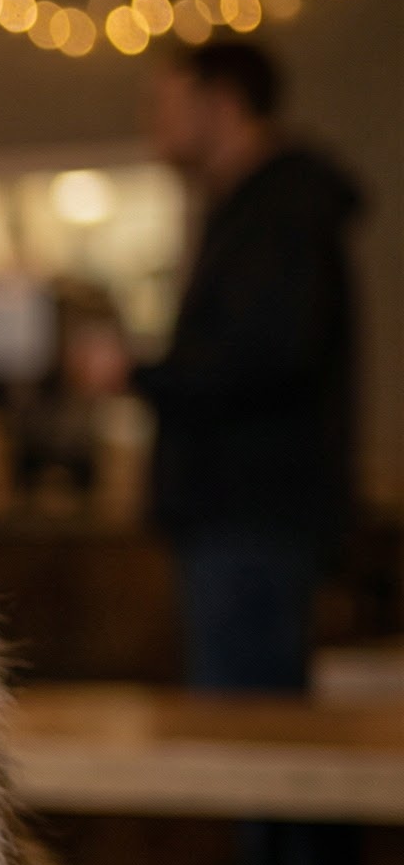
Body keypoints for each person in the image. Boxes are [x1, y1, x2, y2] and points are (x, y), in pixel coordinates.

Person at [128, 40, 360, 693]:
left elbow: (262, 358)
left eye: (167, 104)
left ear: (221, 103)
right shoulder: (254, 210)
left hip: (252, 516)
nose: (155, 123)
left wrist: (138, 372)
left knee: (247, 733)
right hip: (246, 517)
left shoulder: (279, 213)